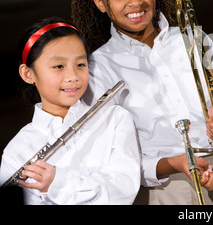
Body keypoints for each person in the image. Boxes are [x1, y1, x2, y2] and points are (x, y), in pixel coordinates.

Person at [71, 0, 213, 205]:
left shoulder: (194, 38)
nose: (135, 1)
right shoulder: (98, 68)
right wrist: (173, 164)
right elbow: (111, 156)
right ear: (101, 3)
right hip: (168, 189)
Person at [0, 18, 140, 205]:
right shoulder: (17, 149)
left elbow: (123, 191)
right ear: (28, 74)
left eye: (80, 65)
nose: (73, 76)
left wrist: (58, 183)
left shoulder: (114, 119)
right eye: (58, 66)